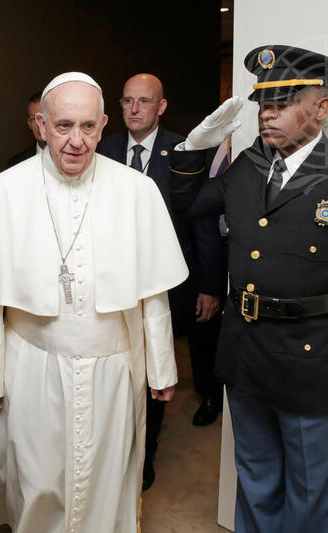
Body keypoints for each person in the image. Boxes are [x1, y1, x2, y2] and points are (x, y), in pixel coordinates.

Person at [169, 45, 328, 533]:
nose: (267, 113)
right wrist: (198, 146)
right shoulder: (249, 168)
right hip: (247, 352)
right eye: (263, 102)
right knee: (255, 481)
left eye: (283, 101)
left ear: (321, 108)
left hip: (314, 361)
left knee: (309, 494)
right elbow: (187, 204)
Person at [0, 72, 188, 533]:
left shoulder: (138, 191)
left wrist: (161, 366)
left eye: (87, 127)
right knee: (36, 481)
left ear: (103, 126)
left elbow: (153, 294)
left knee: (107, 477)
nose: (76, 141)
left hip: (112, 367)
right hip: (31, 366)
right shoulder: (2, 193)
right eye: (63, 126)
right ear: (40, 125)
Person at [97, 73, 227, 490]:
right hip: (113, 280)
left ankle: (146, 453)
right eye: (128, 101)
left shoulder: (186, 151)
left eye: (144, 102)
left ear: (161, 106)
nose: (135, 110)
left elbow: (203, 223)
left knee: (159, 363)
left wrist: (209, 285)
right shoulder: (103, 149)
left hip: (173, 277)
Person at [6, 90, 46, 167]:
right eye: (34, 119)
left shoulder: (71, 157)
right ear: (29, 124)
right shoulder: (16, 164)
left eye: (43, 117)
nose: (39, 124)